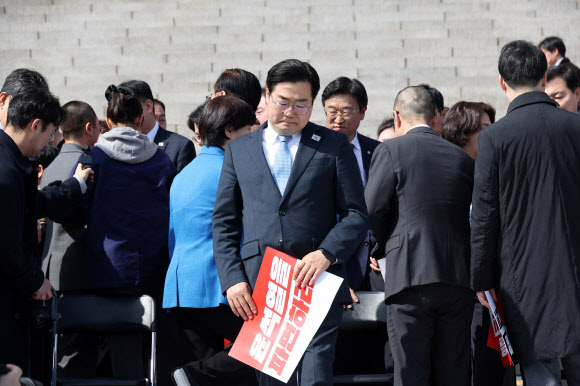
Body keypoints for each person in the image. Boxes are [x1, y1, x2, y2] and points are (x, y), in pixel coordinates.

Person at [212, 59, 368, 386]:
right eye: (282, 102)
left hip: (316, 279)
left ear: (312, 105)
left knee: (315, 375)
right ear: (266, 97)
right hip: (261, 285)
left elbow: (356, 214)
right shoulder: (239, 150)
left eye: (302, 104)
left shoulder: (333, 145)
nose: (290, 111)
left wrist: (327, 252)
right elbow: (224, 222)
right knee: (269, 379)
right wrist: (233, 280)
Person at [471, 40, 580, 386]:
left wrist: (481, 279)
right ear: (545, 76)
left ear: (502, 81)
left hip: (525, 276)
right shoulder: (575, 128)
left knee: (541, 372)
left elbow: (485, 217)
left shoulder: (496, 137)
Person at [366, 86, 474, 386]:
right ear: (437, 117)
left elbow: (373, 208)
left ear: (396, 117)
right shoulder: (462, 158)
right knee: (453, 371)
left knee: (410, 370)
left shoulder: (389, 150)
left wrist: (382, 246)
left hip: (408, 275)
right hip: (457, 277)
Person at [164, 95, 257, 386]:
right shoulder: (231, 170)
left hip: (181, 286)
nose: (252, 138)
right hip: (216, 283)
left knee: (207, 374)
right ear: (230, 131)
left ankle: (193, 375)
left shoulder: (184, 173)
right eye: (248, 131)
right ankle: (194, 374)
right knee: (265, 343)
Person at [85, 84, 177, 379]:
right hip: (155, 263)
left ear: (108, 122)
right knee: (153, 342)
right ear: (140, 120)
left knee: (121, 340)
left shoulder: (94, 158)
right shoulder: (162, 159)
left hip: (109, 265)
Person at [0, 86, 92, 372]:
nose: (50, 142)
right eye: (50, 134)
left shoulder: (11, 161)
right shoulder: (6, 171)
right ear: (35, 125)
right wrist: (35, 282)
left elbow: (32, 204)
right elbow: (6, 243)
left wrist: (73, 187)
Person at [441, 101, 517, 386]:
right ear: (463, 131)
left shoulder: (496, 172)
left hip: (493, 286)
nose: (490, 133)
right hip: (461, 287)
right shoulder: (448, 175)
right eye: (484, 128)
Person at [321, 76, 378, 295]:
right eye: (331, 111)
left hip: (373, 262)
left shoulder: (378, 151)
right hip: (330, 260)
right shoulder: (312, 152)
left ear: (362, 112)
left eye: (346, 111)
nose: (338, 118)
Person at [40, 101, 101, 292]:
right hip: (78, 268)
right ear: (89, 128)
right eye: (99, 126)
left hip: (49, 265)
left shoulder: (50, 164)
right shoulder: (87, 164)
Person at [119, 80, 195, 172]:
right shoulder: (117, 146)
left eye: (130, 109)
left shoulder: (180, 147)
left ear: (148, 106)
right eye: (121, 111)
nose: (125, 116)